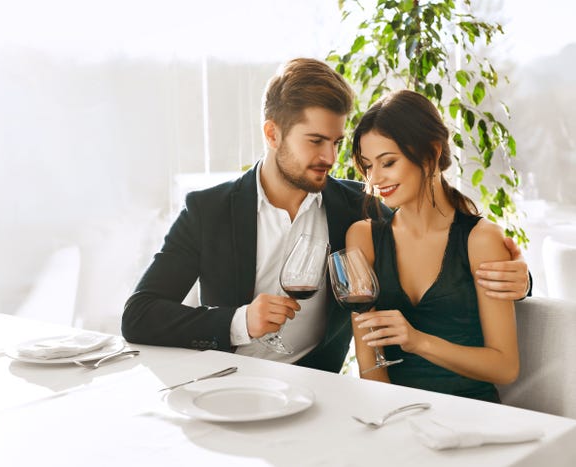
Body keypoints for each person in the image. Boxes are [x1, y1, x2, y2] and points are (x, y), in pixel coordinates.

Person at [122, 58, 530, 373]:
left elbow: (440, 238)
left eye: (335, 142)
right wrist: (239, 321)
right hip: (224, 384)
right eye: (316, 141)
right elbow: (139, 315)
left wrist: (520, 279)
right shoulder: (207, 210)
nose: (330, 158)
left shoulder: (359, 208)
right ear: (272, 134)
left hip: (316, 391)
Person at [347, 89, 518, 401]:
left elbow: (505, 367)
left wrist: (418, 341)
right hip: (397, 415)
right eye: (367, 166)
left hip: (473, 414)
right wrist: (391, 421)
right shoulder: (363, 237)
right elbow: (370, 366)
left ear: (431, 152)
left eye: (388, 162)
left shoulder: (481, 240)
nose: (374, 179)